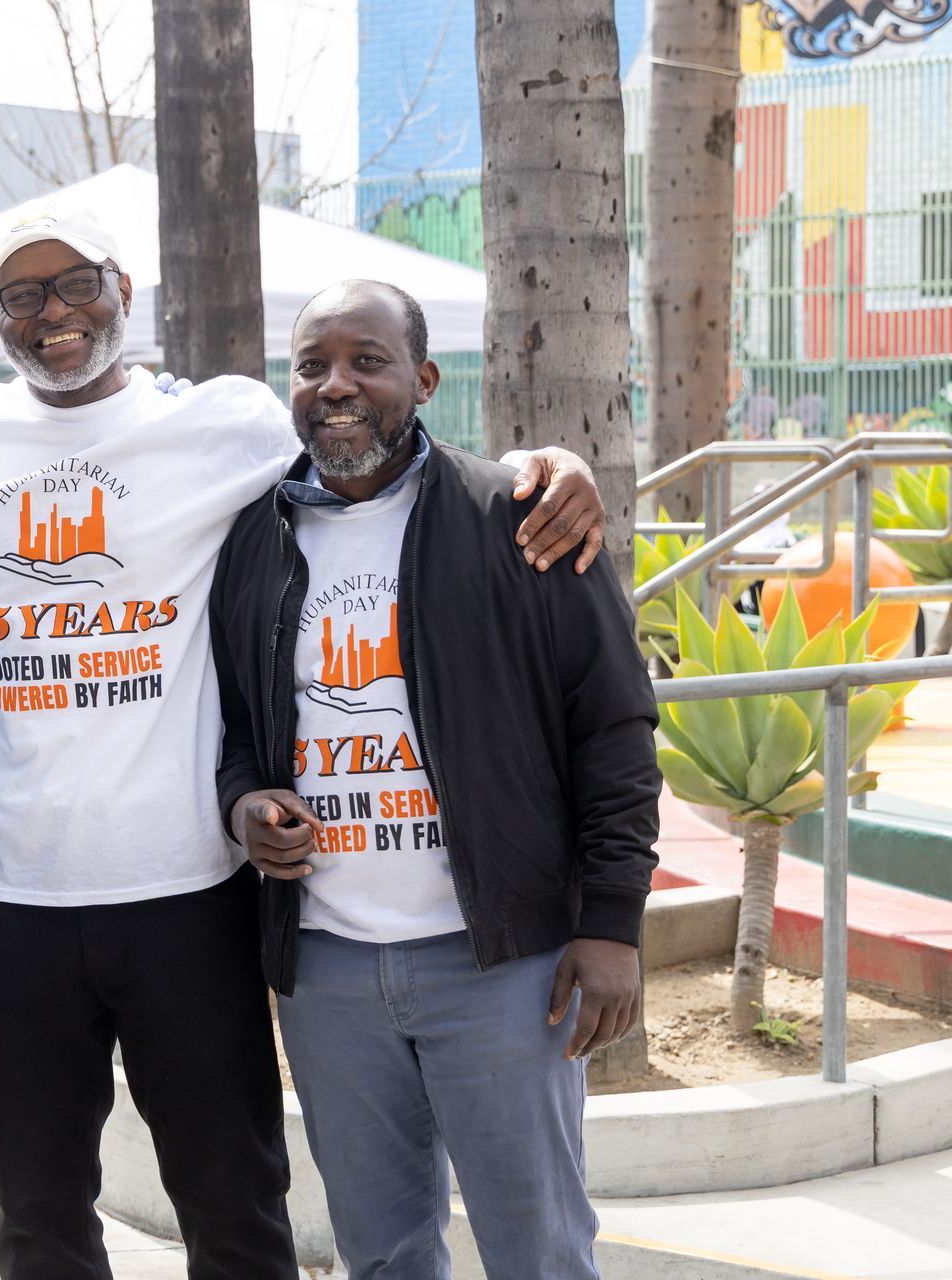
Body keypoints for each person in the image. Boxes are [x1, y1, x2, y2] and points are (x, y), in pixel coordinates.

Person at [0, 206, 609, 1279]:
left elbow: (373, 437)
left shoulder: (233, 423)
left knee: (237, 1213)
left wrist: (543, 461)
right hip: (14, 912)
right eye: (23, 295)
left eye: (74, 285)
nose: (53, 313)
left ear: (123, 288)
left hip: (191, 900)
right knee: (41, 1225)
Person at [210, 280, 659, 1277]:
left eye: (366, 360)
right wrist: (246, 803)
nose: (337, 384)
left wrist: (612, 921)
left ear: (421, 377)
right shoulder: (254, 540)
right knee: (384, 1250)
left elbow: (615, 724)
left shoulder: (518, 516)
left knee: (537, 1246)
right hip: (327, 970)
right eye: (313, 363)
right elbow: (235, 728)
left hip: (499, 962)